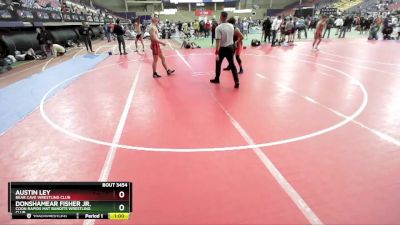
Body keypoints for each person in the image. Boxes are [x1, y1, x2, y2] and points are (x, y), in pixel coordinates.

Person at [210, 11, 239, 89]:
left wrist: (216, 51)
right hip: (231, 47)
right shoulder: (232, 26)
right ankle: (237, 81)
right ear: (227, 17)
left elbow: (218, 40)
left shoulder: (218, 28)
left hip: (222, 49)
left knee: (218, 64)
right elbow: (237, 34)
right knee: (232, 65)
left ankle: (217, 79)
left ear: (221, 16)